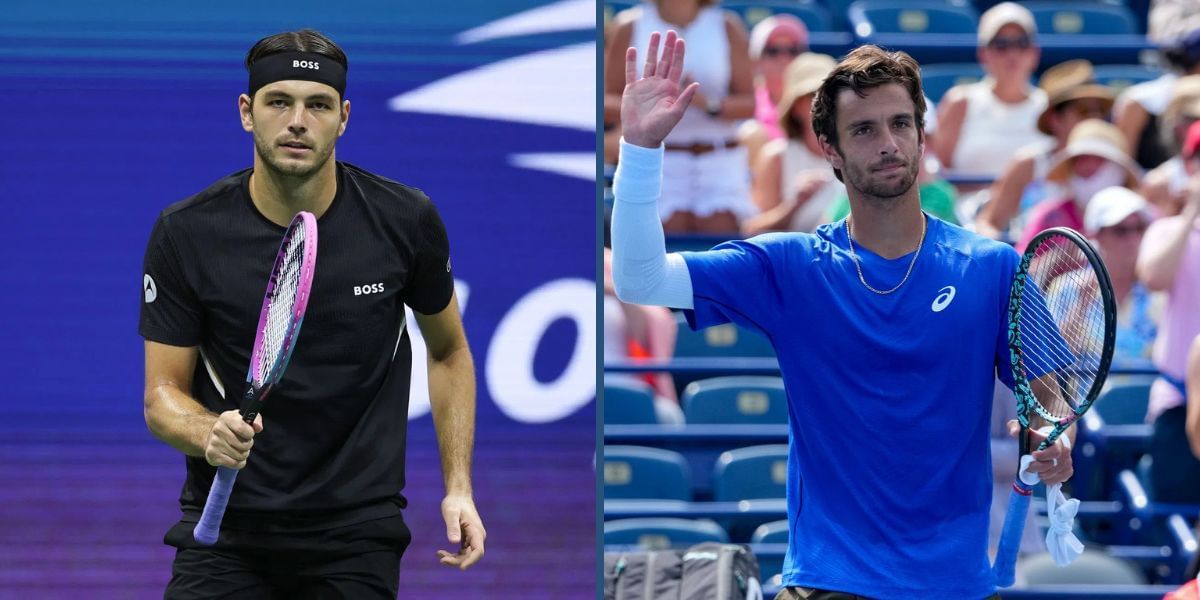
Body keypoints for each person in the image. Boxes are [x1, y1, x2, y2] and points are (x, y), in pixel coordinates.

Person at [611, 31, 1073, 598]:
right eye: (864, 129)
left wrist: (1053, 437)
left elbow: (1050, 392)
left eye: (901, 124)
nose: (889, 143)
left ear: (922, 134)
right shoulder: (790, 265)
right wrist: (638, 150)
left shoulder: (994, 267)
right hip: (828, 580)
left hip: (952, 583)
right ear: (829, 149)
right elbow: (639, 278)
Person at [140, 30, 485, 598]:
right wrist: (208, 431)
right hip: (227, 532)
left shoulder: (405, 219)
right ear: (247, 112)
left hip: (355, 534)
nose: (298, 120)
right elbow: (161, 396)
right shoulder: (187, 232)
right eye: (279, 101)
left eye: (318, 104)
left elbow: (449, 351)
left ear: (343, 117)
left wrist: (459, 487)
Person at [605, 0, 755, 233]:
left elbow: (750, 104)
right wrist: (649, 104)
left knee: (719, 253)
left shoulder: (728, 27)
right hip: (657, 161)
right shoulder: (628, 26)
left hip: (721, 164)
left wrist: (708, 104)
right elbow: (605, 102)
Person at [976, 60, 1115, 240]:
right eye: (1083, 111)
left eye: (1100, 111)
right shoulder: (1028, 163)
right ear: (1055, 119)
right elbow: (988, 223)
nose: (1094, 119)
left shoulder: (1115, 164)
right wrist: (1013, 257)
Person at [1138, 120, 1200, 504]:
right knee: (1177, 523)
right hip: (1178, 404)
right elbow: (1154, 277)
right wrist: (1191, 211)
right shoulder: (1167, 231)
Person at [935, 2, 1052, 180]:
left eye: (1021, 43)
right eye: (1001, 44)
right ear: (983, 53)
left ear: (1035, 53)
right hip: (969, 206)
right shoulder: (961, 102)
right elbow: (938, 175)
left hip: (1037, 207)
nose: (1012, 54)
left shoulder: (1050, 106)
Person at [743, 51, 842, 235]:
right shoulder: (776, 156)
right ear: (795, 107)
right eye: (813, 95)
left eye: (830, 95)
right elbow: (751, 231)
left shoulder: (857, 153)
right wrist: (795, 204)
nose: (824, 103)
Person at [1016, 119, 1142, 251]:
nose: (1087, 165)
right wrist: (1062, 257)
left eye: (1098, 159)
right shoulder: (1049, 216)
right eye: (1080, 159)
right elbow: (1020, 268)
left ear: (1118, 170)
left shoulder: (1142, 219)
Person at [738, 14, 810, 171]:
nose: (784, 58)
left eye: (792, 50)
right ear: (756, 59)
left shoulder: (813, 100)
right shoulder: (744, 102)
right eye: (773, 51)